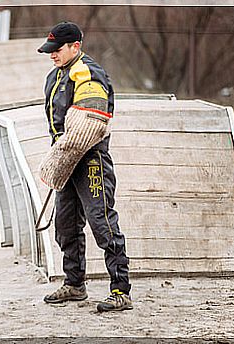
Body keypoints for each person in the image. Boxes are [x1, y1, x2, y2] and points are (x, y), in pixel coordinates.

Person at [37, 21, 132, 312]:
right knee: (65, 226)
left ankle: (120, 290)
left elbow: (88, 127)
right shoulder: (55, 76)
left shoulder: (88, 74)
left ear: (75, 46)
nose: (52, 55)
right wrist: (60, 160)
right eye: (50, 50)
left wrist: (57, 161)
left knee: (102, 222)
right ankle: (75, 284)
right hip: (67, 160)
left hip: (89, 159)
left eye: (57, 50)